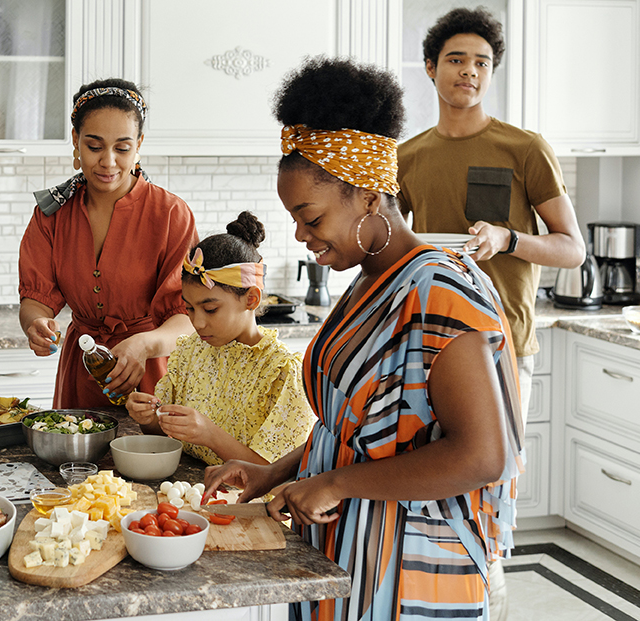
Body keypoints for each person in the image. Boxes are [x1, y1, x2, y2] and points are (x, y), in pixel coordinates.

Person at [204, 57, 525, 621]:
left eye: (310, 216)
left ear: (370, 197)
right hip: (347, 552)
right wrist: (273, 472)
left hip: (412, 570)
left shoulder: (439, 290)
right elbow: (361, 430)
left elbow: (483, 455)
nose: (302, 236)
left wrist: (336, 484)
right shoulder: (368, 283)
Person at [398, 6, 584, 417]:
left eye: (481, 62)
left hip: (502, 340)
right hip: (429, 339)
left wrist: (507, 239)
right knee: (430, 477)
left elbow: (573, 250)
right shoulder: (407, 157)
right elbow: (389, 243)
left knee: (498, 475)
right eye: (456, 60)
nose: (470, 71)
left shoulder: (525, 148)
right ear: (430, 67)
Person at [19, 79, 196, 409]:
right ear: (76, 141)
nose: (109, 162)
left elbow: (187, 317)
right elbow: (35, 298)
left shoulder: (171, 214)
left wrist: (143, 345)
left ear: (139, 144)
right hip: (80, 370)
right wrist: (36, 324)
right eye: (95, 146)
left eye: (122, 148)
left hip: (152, 374)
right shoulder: (51, 215)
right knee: (75, 459)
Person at [124, 212, 315, 470]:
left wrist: (209, 434)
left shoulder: (282, 372)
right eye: (189, 309)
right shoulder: (191, 351)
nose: (197, 323)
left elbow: (274, 473)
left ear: (251, 299)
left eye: (210, 309)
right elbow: (165, 433)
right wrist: (147, 419)